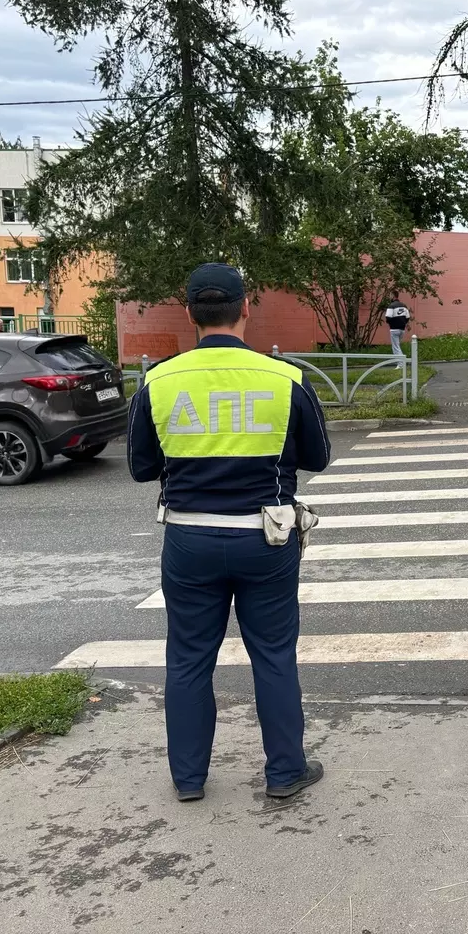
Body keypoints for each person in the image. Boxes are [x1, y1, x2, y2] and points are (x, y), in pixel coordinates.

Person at [127, 263, 332, 803]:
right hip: (266, 538)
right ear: (245, 308)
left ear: (189, 313)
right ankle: (285, 772)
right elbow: (318, 457)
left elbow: (142, 468)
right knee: (274, 655)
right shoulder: (286, 378)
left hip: (189, 539)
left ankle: (188, 779)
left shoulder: (158, 381)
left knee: (188, 658)